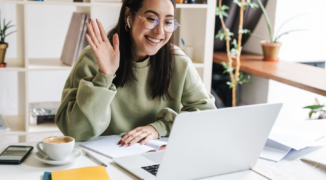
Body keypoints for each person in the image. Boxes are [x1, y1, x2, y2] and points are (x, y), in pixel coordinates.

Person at [55, 0, 216, 146]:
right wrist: (105, 76)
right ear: (129, 16)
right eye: (151, 19)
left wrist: (160, 127)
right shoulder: (94, 58)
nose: (160, 31)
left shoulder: (178, 62)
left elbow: (208, 115)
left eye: (168, 22)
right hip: (103, 161)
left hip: (155, 158)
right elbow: (75, 132)